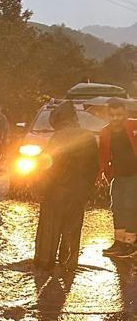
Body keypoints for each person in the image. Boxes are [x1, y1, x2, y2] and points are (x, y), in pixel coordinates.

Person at [34, 100, 99, 271]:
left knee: (49, 229)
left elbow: (47, 165)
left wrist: (40, 188)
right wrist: (88, 190)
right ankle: (69, 263)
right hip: (78, 192)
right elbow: (94, 167)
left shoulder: (58, 137)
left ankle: (45, 263)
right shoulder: (89, 137)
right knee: (73, 229)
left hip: (55, 192)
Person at [100, 97, 137, 259]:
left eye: (119, 115)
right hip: (118, 175)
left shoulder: (134, 125)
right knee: (117, 207)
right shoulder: (105, 132)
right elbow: (103, 156)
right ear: (108, 115)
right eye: (113, 115)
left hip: (134, 174)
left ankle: (131, 242)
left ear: (124, 114)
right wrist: (103, 174)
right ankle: (119, 241)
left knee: (130, 205)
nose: (116, 118)